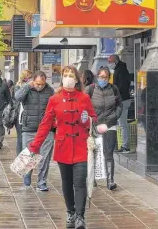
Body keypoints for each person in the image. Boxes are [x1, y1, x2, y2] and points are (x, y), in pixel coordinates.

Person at [28, 66, 97, 229]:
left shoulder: (84, 98)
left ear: (76, 78)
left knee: (79, 181)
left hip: (81, 146)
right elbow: (45, 123)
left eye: (71, 75)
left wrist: (87, 119)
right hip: (63, 146)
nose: (68, 78)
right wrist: (35, 145)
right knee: (66, 182)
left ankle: (80, 217)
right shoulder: (55, 99)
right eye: (65, 75)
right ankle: (70, 212)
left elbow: (94, 119)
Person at [15, 71, 55, 191]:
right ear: (33, 81)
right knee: (29, 155)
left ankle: (42, 182)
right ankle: (27, 174)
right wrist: (28, 86)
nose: (39, 86)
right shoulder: (27, 88)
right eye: (37, 84)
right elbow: (17, 97)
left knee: (44, 157)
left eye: (42, 84)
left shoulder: (50, 91)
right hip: (29, 128)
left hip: (46, 130)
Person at [85, 67, 122, 190]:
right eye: (101, 77)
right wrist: (91, 120)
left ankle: (110, 180)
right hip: (94, 125)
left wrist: (111, 119)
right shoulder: (90, 89)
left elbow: (119, 106)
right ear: (97, 77)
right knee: (94, 152)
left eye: (106, 77)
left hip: (110, 124)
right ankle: (92, 178)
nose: (103, 79)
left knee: (108, 152)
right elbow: (83, 106)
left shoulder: (114, 89)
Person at [108, 54, 131, 153]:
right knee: (120, 124)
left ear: (116, 61)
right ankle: (122, 145)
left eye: (110, 62)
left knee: (122, 124)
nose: (109, 64)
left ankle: (125, 146)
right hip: (122, 99)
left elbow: (121, 86)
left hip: (123, 100)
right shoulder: (120, 69)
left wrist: (115, 94)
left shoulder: (120, 70)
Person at [14, 70, 33, 155]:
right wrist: (27, 87)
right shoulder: (18, 86)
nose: (30, 79)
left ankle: (26, 156)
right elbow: (17, 98)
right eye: (29, 77)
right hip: (20, 115)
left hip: (28, 115)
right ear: (25, 77)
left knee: (26, 138)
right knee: (20, 138)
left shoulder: (32, 86)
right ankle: (19, 156)